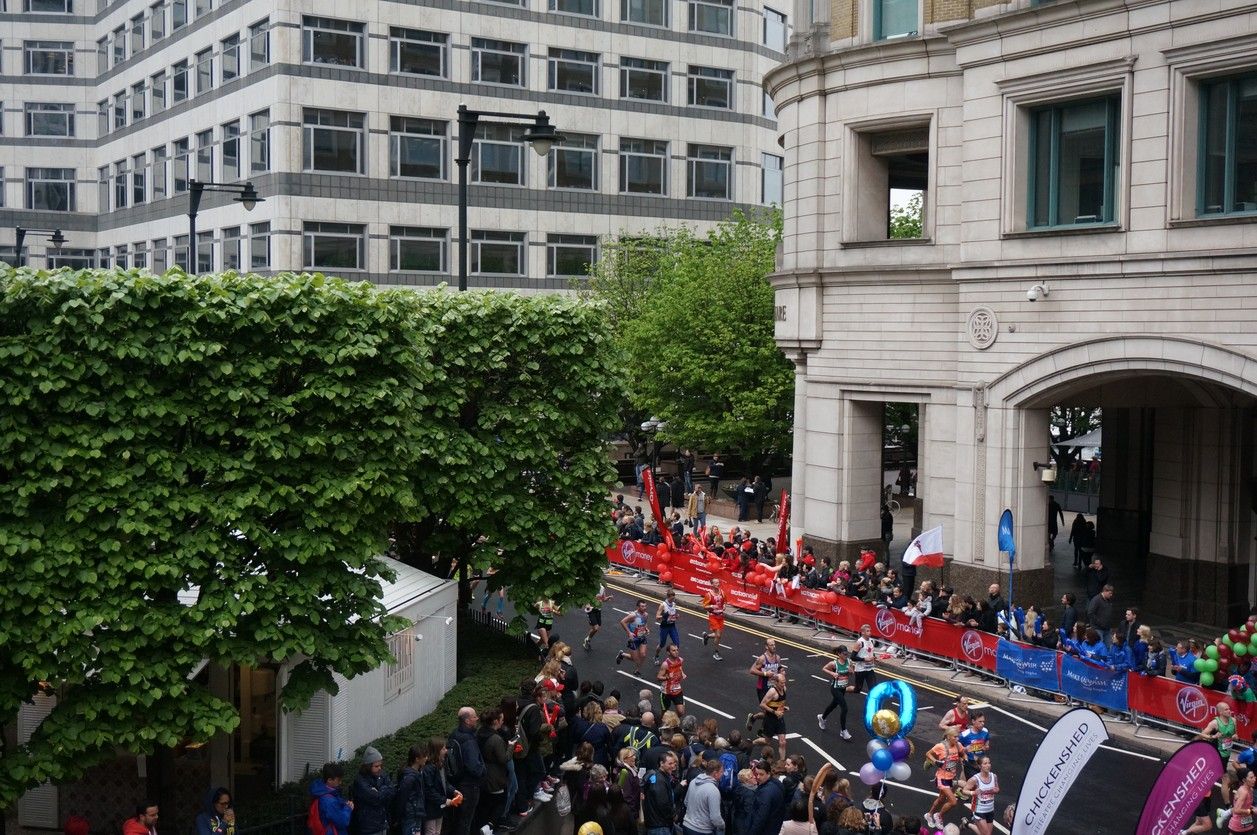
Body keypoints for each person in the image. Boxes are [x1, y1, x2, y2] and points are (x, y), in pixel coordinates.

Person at [476, 708, 510, 835]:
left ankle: (484, 825)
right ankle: (489, 825)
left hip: (483, 775)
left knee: (485, 804)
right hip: (495, 776)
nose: (502, 722)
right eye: (501, 720)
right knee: (501, 801)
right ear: (495, 721)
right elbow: (503, 758)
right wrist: (511, 747)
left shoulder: (480, 733)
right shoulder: (496, 739)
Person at [923, 726, 965, 829]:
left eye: (958, 737)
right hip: (942, 778)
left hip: (951, 777)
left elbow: (963, 754)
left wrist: (964, 760)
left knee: (941, 799)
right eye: (955, 737)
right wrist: (936, 761)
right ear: (948, 736)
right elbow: (928, 754)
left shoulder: (958, 745)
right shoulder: (940, 746)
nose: (957, 739)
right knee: (953, 801)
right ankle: (939, 815)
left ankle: (929, 814)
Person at [420, 738, 460, 835]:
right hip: (431, 808)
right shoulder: (429, 769)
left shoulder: (440, 765)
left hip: (438, 806)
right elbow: (429, 790)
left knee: (437, 831)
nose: (446, 750)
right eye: (443, 748)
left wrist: (454, 791)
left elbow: (444, 783)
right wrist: (445, 800)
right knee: (431, 831)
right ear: (437, 751)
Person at [352, 747, 395, 835]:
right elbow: (376, 798)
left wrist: (380, 790)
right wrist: (384, 791)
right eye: (376, 766)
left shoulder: (382, 774)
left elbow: (392, 790)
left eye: (380, 765)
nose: (379, 768)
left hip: (383, 822)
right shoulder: (360, 781)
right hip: (369, 826)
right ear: (368, 766)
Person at [818, 646, 855, 740]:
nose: (846, 655)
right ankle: (843, 731)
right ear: (839, 654)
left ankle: (822, 717)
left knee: (833, 705)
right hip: (835, 689)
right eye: (844, 654)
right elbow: (824, 668)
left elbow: (851, 672)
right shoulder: (834, 664)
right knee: (845, 708)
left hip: (843, 688)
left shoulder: (849, 662)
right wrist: (832, 673)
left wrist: (851, 672)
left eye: (847, 654)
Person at [682, 755, 726, 834]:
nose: (723, 774)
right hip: (702, 830)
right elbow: (715, 818)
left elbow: (686, 802)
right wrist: (723, 825)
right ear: (715, 773)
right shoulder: (713, 790)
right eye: (721, 771)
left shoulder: (694, 781)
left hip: (687, 826)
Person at [310, 763, 355, 835]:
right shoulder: (328, 801)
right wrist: (348, 808)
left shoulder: (322, 791)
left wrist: (344, 803)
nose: (341, 782)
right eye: (339, 780)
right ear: (330, 780)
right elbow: (342, 821)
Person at [643, 750, 680, 835]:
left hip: (657, 822)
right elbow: (663, 803)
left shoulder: (660, 776)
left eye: (674, 763)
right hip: (659, 826)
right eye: (669, 764)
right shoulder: (659, 780)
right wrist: (673, 815)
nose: (673, 766)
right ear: (661, 764)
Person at [959, 757, 998, 835]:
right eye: (985, 763)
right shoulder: (975, 779)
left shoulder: (994, 776)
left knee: (986, 833)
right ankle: (967, 824)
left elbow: (997, 788)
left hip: (990, 809)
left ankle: (967, 824)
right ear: (980, 766)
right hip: (979, 810)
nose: (988, 765)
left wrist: (995, 790)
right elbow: (964, 790)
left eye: (989, 763)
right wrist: (973, 792)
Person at [747, 758, 787, 835]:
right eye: (756, 774)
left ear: (768, 773)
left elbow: (760, 817)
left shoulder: (765, 793)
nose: (758, 777)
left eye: (761, 774)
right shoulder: (778, 784)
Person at [394, 746, 428, 835]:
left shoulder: (418, 773)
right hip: (411, 814)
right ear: (417, 759)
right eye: (424, 756)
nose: (426, 758)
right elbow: (402, 798)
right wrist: (397, 817)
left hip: (416, 813)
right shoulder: (409, 778)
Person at [759, 672, 790, 760]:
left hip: (779, 718)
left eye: (784, 682)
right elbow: (762, 705)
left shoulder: (784, 688)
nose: (784, 684)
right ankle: (753, 743)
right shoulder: (772, 691)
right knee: (767, 741)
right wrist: (774, 712)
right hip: (770, 719)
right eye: (782, 682)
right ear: (776, 682)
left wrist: (783, 707)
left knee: (783, 742)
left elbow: (779, 702)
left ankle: (782, 762)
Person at [616, 599, 651, 675]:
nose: (644, 608)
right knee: (635, 659)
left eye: (645, 606)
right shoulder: (633, 615)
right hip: (633, 640)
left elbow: (645, 623)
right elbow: (622, 622)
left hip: (642, 637)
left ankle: (637, 671)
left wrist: (646, 629)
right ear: (638, 607)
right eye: (642, 606)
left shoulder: (646, 615)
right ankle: (622, 655)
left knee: (643, 655)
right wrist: (629, 633)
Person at [1202, 701, 1240, 771]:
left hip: (1227, 752)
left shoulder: (1233, 721)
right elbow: (1202, 734)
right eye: (1226, 709)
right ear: (1220, 712)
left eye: (1229, 709)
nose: (1229, 711)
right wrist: (1213, 737)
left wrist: (1235, 737)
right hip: (1216, 753)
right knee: (1215, 771)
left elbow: (1236, 736)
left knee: (1223, 770)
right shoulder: (1214, 723)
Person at [957, 713, 990, 783]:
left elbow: (987, 743)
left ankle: (958, 789)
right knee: (973, 783)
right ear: (973, 721)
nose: (983, 723)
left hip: (981, 762)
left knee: (981, 782)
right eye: (980, 721)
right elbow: (957, 748)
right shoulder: (964, 735)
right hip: (970, 762)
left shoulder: (985, 731)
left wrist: (986, 747)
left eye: (983, 721)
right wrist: (964, 753)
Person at [658, 643, 688, 717]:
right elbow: (658, 677)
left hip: (677, 689)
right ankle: (661, 724)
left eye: (677, 650)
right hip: (666, 692)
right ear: (668, 652)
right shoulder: (665, 664)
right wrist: (666, 677)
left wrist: (682, 673)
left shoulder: (680, 660)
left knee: (681, 711)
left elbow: (679, 667)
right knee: (664, 712)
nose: (676, 652)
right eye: (674, 650)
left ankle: (673, 723)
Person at [702, 578, 727, 661]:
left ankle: (707, 636)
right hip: (713, 616)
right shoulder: (708, 594)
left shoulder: (722, 592)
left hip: (721, 616)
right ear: (712, 584)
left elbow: (725, 602)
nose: (718, 584)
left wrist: (724, 607)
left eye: (718, 582)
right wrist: (712, 606)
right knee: (718, 635)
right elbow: (704, 606)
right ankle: (716, 653)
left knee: (717, 635)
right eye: (715, 583)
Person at [583, 584, 612, 651]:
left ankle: (587, 639)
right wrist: (587, 604)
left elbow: (603, 599)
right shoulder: (591, 587)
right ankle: (587, 640)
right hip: (591, 610)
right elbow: (585, 597)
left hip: (598, 610)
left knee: (596, 628)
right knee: (595, 628)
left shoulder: (602, 588)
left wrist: (608, 597)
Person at [655, 589, 682, 661]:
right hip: (664, 627)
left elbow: (673, 615)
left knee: (677, 644)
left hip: (672, 626)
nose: (673, 599)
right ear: (668, 597)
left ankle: (672, 660)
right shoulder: (663, 605)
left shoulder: (674, 604)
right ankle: (656, 656)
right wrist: (664, 616)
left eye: (674, 598)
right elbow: (657, 617)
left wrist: (676, 616)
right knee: (662, 644)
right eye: (672, 598)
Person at [852, 625, 877, 694]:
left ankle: (871, 704)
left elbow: (870, 652)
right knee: (857, 689)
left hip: (869, 669)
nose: (870, 632)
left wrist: (874, 657)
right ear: (862, 632)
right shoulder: (859, 643)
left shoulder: (872, 641)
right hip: (860, 670)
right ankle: (844, 690)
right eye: (867, 631)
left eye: (870, 631)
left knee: (873, 689)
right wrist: (864, 659)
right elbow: (852, 657)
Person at [1231, 768, 1256, 835]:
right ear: (1244, 780)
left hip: (1247, 824)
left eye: (1254, 776)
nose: (1254, 779)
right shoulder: (1243, 792)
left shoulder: (1250, 789)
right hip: (1237, 826)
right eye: (1251, 777)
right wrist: (1251, 811)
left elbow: (1246, 804)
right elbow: (1236, 810)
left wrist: (1253, 807)